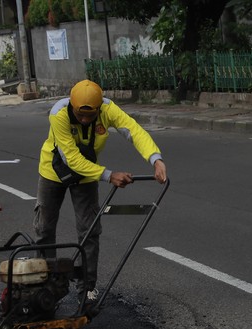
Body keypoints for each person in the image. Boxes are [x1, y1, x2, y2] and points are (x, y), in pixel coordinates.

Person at [35, 79, 167, 302]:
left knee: (89, 229)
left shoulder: (108, 109)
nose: (85, 120)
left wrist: (156, 159)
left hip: (88, 174)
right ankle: (43, 285)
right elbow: (71, 159)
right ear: (72, 106)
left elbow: (133, 130)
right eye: (80, 115)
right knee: (44, 228)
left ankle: (86, 287)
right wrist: (109, 175)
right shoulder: (59, 113)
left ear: (98, 109)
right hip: (53, 171)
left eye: (90, 115)